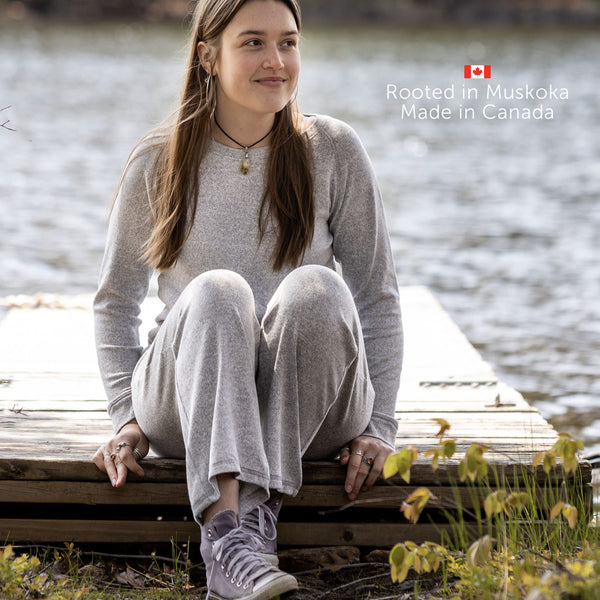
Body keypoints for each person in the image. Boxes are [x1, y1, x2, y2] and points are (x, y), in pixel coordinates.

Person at [92, 0, 403, 598]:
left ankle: (241, 536)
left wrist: (380, 426)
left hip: (311, 408)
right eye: (254, 42)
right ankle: (228, 539)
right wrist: (126, 417)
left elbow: (378, 298)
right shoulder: (159, 159)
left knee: (319, 287)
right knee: (219, 289)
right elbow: (115, 302)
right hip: (190, 403)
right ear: (208, 56)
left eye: (288, 42)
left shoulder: (334, 149)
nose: (276, 60)